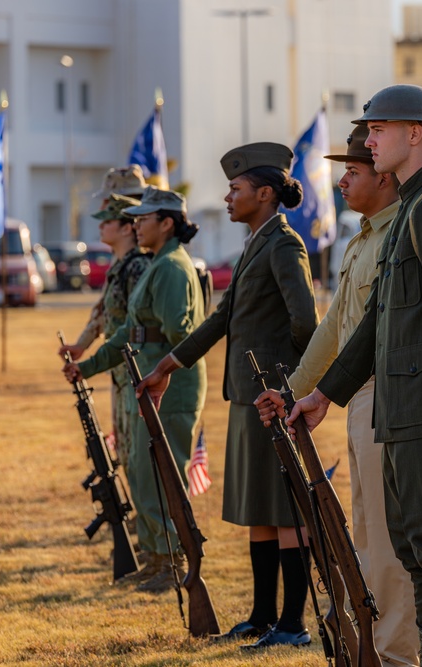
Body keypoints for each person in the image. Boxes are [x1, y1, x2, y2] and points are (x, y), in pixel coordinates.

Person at [276, 84, 422, 667]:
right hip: (407, 406)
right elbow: (373, 323)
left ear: (416, 134)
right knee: (415, 553)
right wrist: (324, 393)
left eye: (377, 131)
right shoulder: (410, 211)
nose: (368, 142)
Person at [137, 143, 319, 648]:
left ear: (264, 194)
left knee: (285, 512)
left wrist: (296, 389)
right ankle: (263, 615)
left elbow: (306, 321)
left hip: (273, 398)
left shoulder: (284, 245)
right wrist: (167, 365)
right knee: (257, 509)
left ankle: (293, 624)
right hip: (247, 396)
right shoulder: (257, 242)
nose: (227, 196)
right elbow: (222, 320)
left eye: (236, 189)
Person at [254, 124, 419, 664]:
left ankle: (397, 655)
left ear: (386, 178)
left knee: (391, 544)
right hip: (358, 397)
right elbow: (333, 329)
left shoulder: (402, 234)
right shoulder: (365, 236)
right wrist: (298, 390)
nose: (342, 181)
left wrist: (324, 391)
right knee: (366, 537)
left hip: (389, 397)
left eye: (353, 170)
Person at [63, 186, 207, 594]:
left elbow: (180, 336)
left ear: (167, 224)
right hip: (150, 379)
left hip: (170, 385)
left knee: (163, 475)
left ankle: (175, 560)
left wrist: (159, 366)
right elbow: (128, 330)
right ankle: (158, 558)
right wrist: (87, 366)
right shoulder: (158, 264)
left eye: (144, 219)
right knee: (144, 474)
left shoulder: (172, 268)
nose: (137, 225)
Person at [60, 166, 149, 477]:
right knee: (126, 448)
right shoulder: (124, 257)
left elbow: (138, 320)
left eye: (109, 206)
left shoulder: (144, 257)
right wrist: (82, 344)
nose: (101, 213)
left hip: (140, 365)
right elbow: (105, 309)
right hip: (120, 364)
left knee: (142, 452)